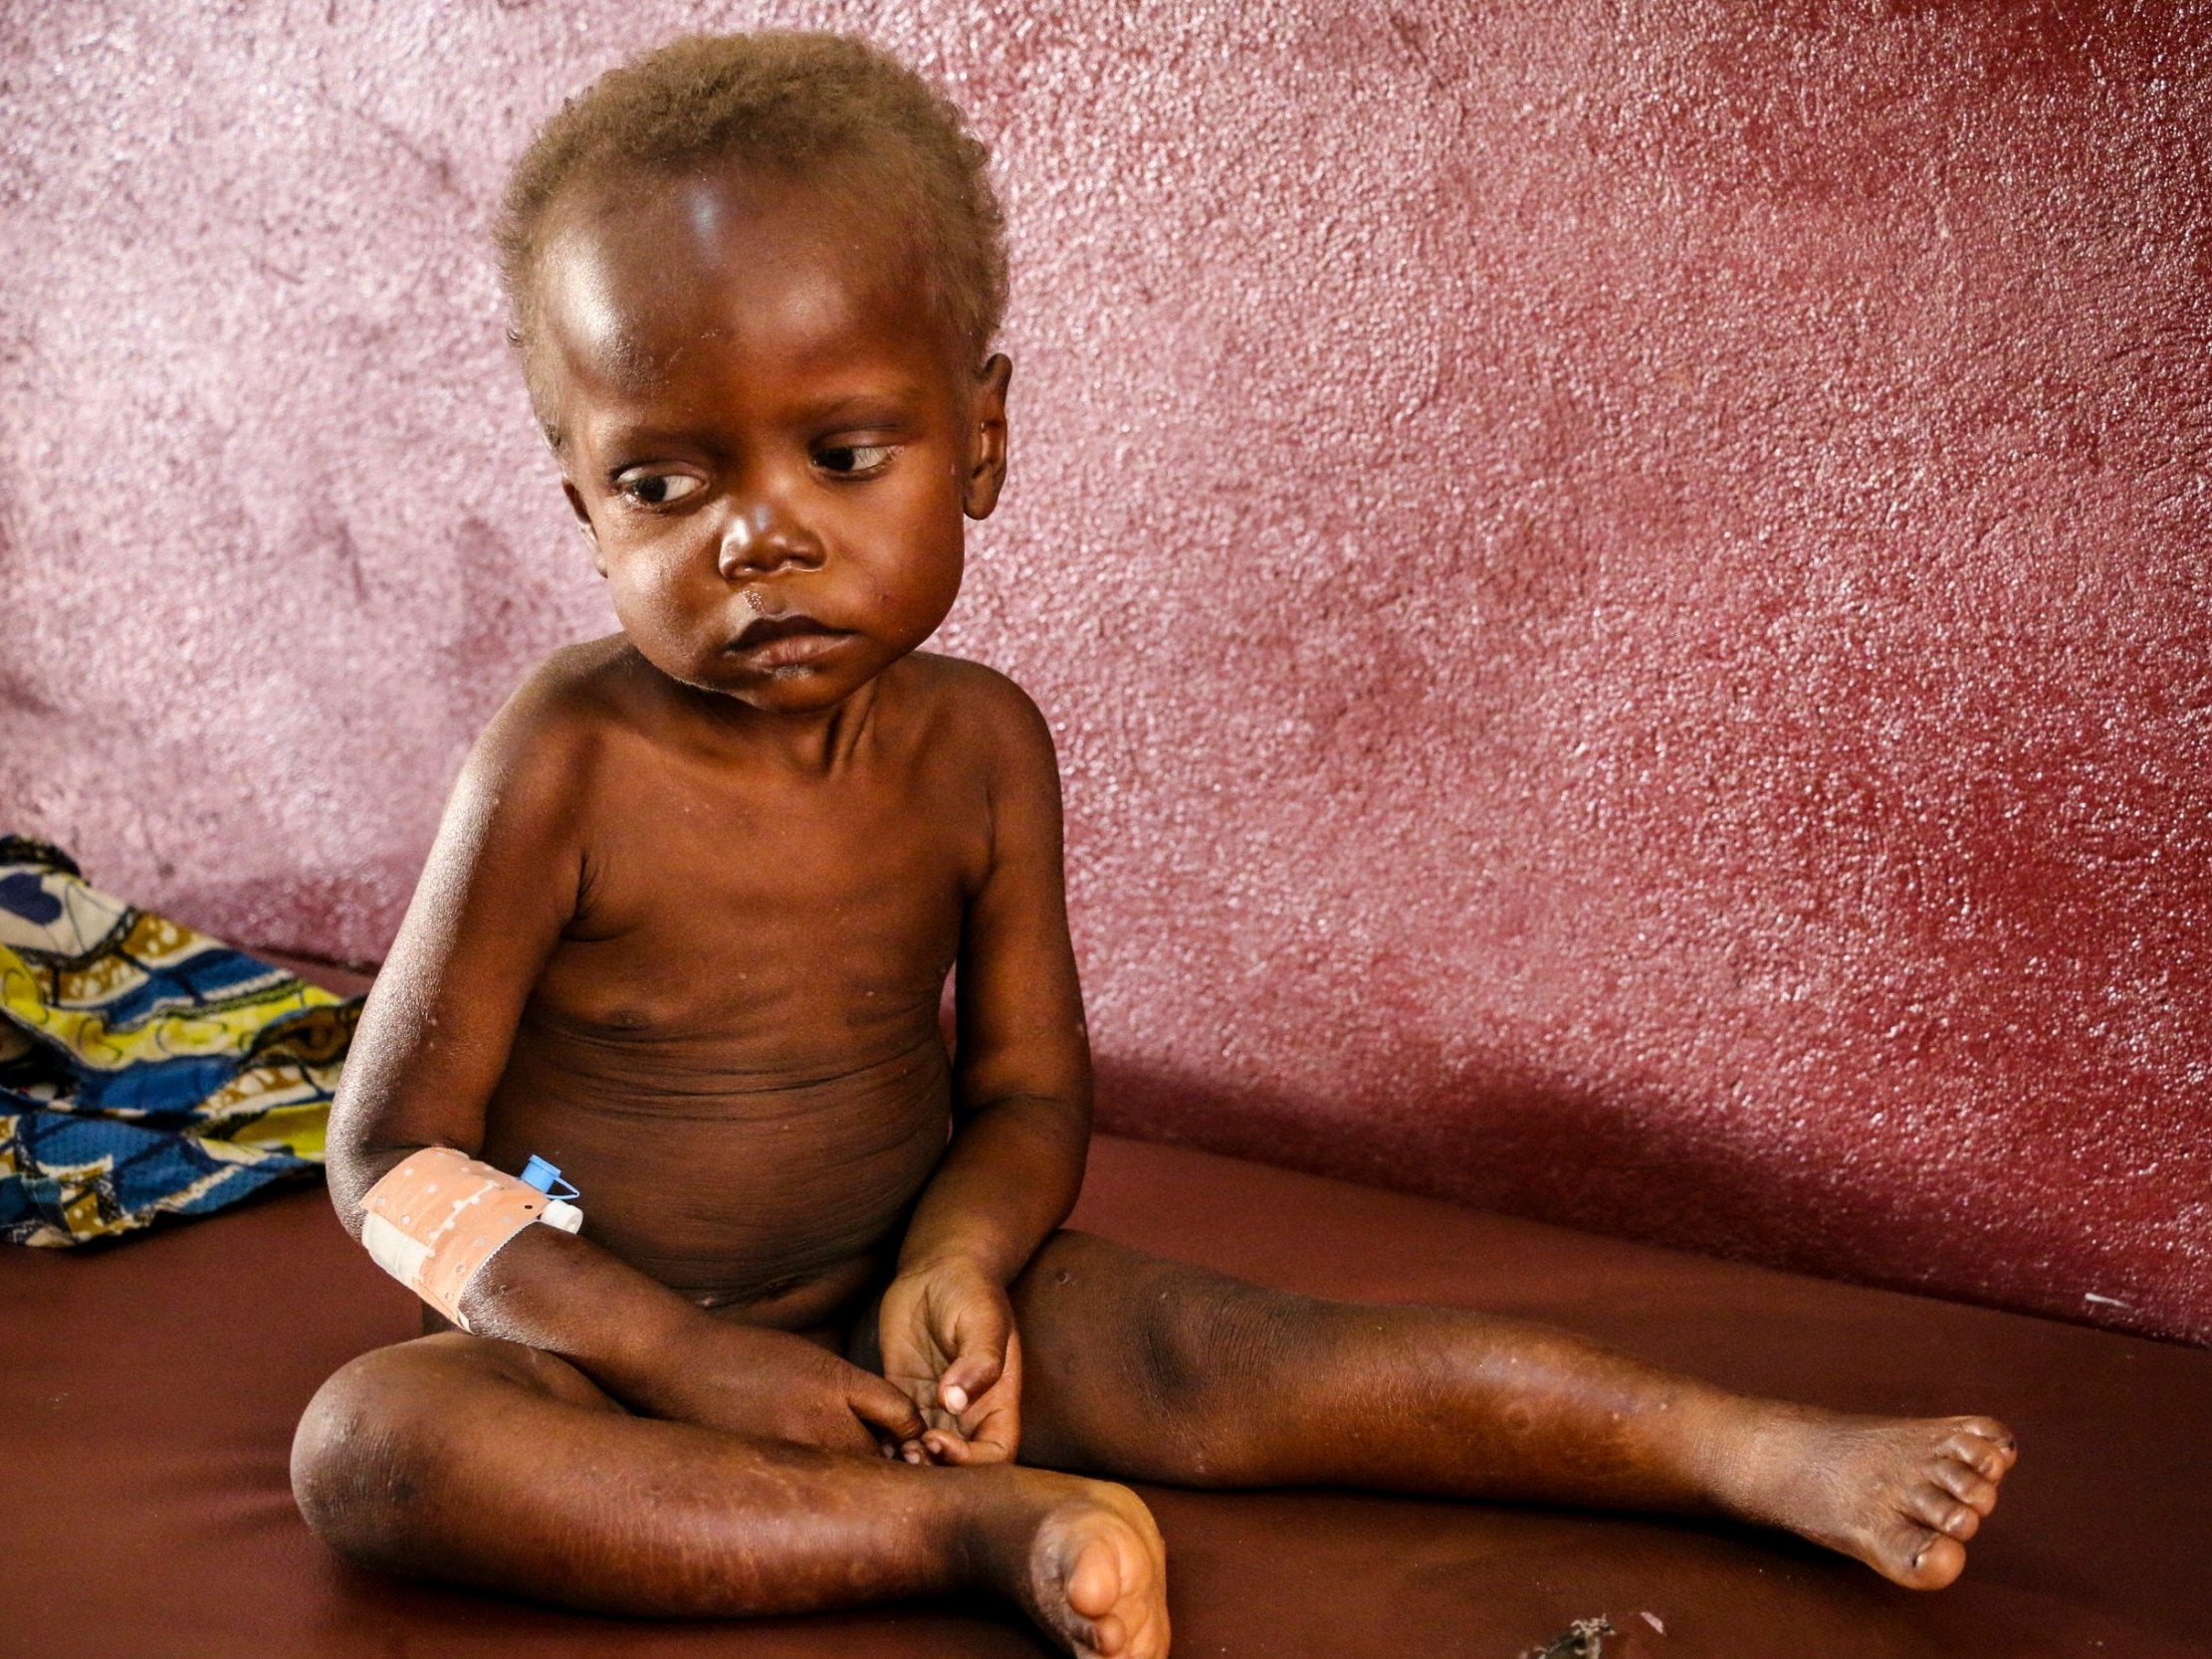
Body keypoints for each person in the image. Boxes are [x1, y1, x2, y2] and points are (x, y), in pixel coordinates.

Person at [290, 33, 2014, 1659]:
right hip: (606, 1363)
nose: (759, 536)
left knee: (1241, 1355)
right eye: (663, 482)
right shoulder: (563, 760)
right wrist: (674, 1357)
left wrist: (960, 1264)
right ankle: (972, 1541)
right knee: (375, 1445)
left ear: (979, 438)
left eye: (840, 452)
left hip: (919, 1318)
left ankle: (1746, 1452)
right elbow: (389, 1159)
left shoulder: (981, 750)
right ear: (580, 497)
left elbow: (1028, 1098)